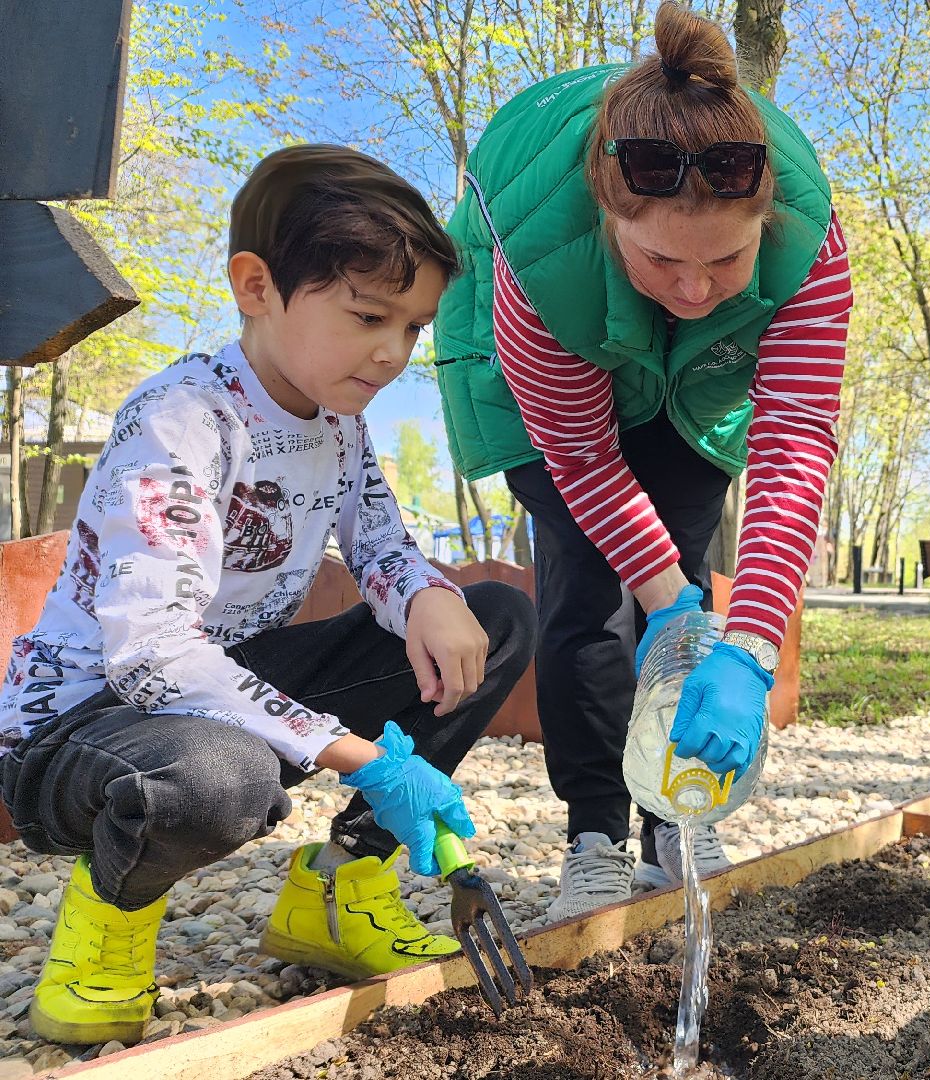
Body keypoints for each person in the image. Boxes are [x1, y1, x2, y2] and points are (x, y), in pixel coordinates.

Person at [0, 145, 536, 1046]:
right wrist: (363, 758)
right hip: (81, 728)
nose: (393, 352)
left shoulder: (340, 423)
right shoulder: (181, 421)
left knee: (492, 619)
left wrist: (423, 597)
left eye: (414, 328)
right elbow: (152, 653)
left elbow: (383, 548)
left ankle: (339, 888)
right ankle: (108, 924)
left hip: (215, 691)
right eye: (370, 315)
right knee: (222, 776)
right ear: (256, 286)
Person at [433, 1, 850, 923]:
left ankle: (677, 818)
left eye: (728, 260)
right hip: (558, 412)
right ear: (609, 220)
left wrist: (742, 643)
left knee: (690, 578)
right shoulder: (541, 261)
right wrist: (660, 600)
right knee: (587, 599)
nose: (697, 291)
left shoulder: (811, 247)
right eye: (663, 261)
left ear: (767, 223)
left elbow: (794, 442)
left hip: (698, 397)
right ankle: (595, 833)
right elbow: (580, 456)